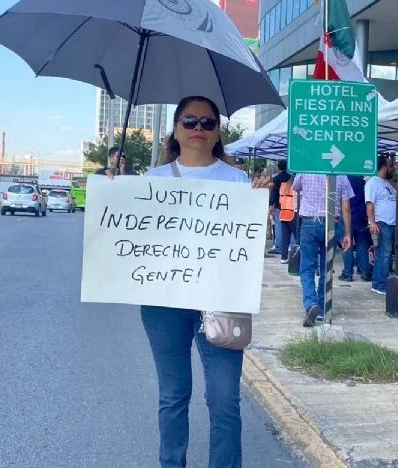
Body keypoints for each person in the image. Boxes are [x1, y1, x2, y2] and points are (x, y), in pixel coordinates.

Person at [138, 96, 268, 468]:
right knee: (173, 395)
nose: (199, 129)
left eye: (208, 123)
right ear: (175, 130)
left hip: (221, 301)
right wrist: (112, 193)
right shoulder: (152, 180)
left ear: (217, 134)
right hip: (163, 302)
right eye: (190, 121)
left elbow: (248, 247)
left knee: (225, 399)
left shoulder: (239, 181)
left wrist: (259, 206)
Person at [291, 172, 353, 326]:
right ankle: (323, 306)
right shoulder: (341, 175)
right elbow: (346, 207)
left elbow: (295, 187)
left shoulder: (305, 170)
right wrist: (347, 233)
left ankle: (311, 305)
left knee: (307, 268)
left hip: (309, 222)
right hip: (333, 223)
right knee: (327, 267)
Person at [365, 156, 397, 295]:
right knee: (384, 255)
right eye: (390, 166)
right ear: (383, 167)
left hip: (389, 223)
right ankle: (381, 284)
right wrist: (372, 222)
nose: (392, 168)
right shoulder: (373, 182)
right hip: (381, 223)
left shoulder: (386, 183)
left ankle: (378, 283)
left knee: (383, 254)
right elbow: (370, 204)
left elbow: (391, 200)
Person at [341, 174, 372, 282]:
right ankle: (365, 271)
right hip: (360, 217)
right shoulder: (362, 182)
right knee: (362, 245)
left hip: (346, 217)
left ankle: (347, 273)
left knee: (346, 244)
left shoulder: (343, 179)